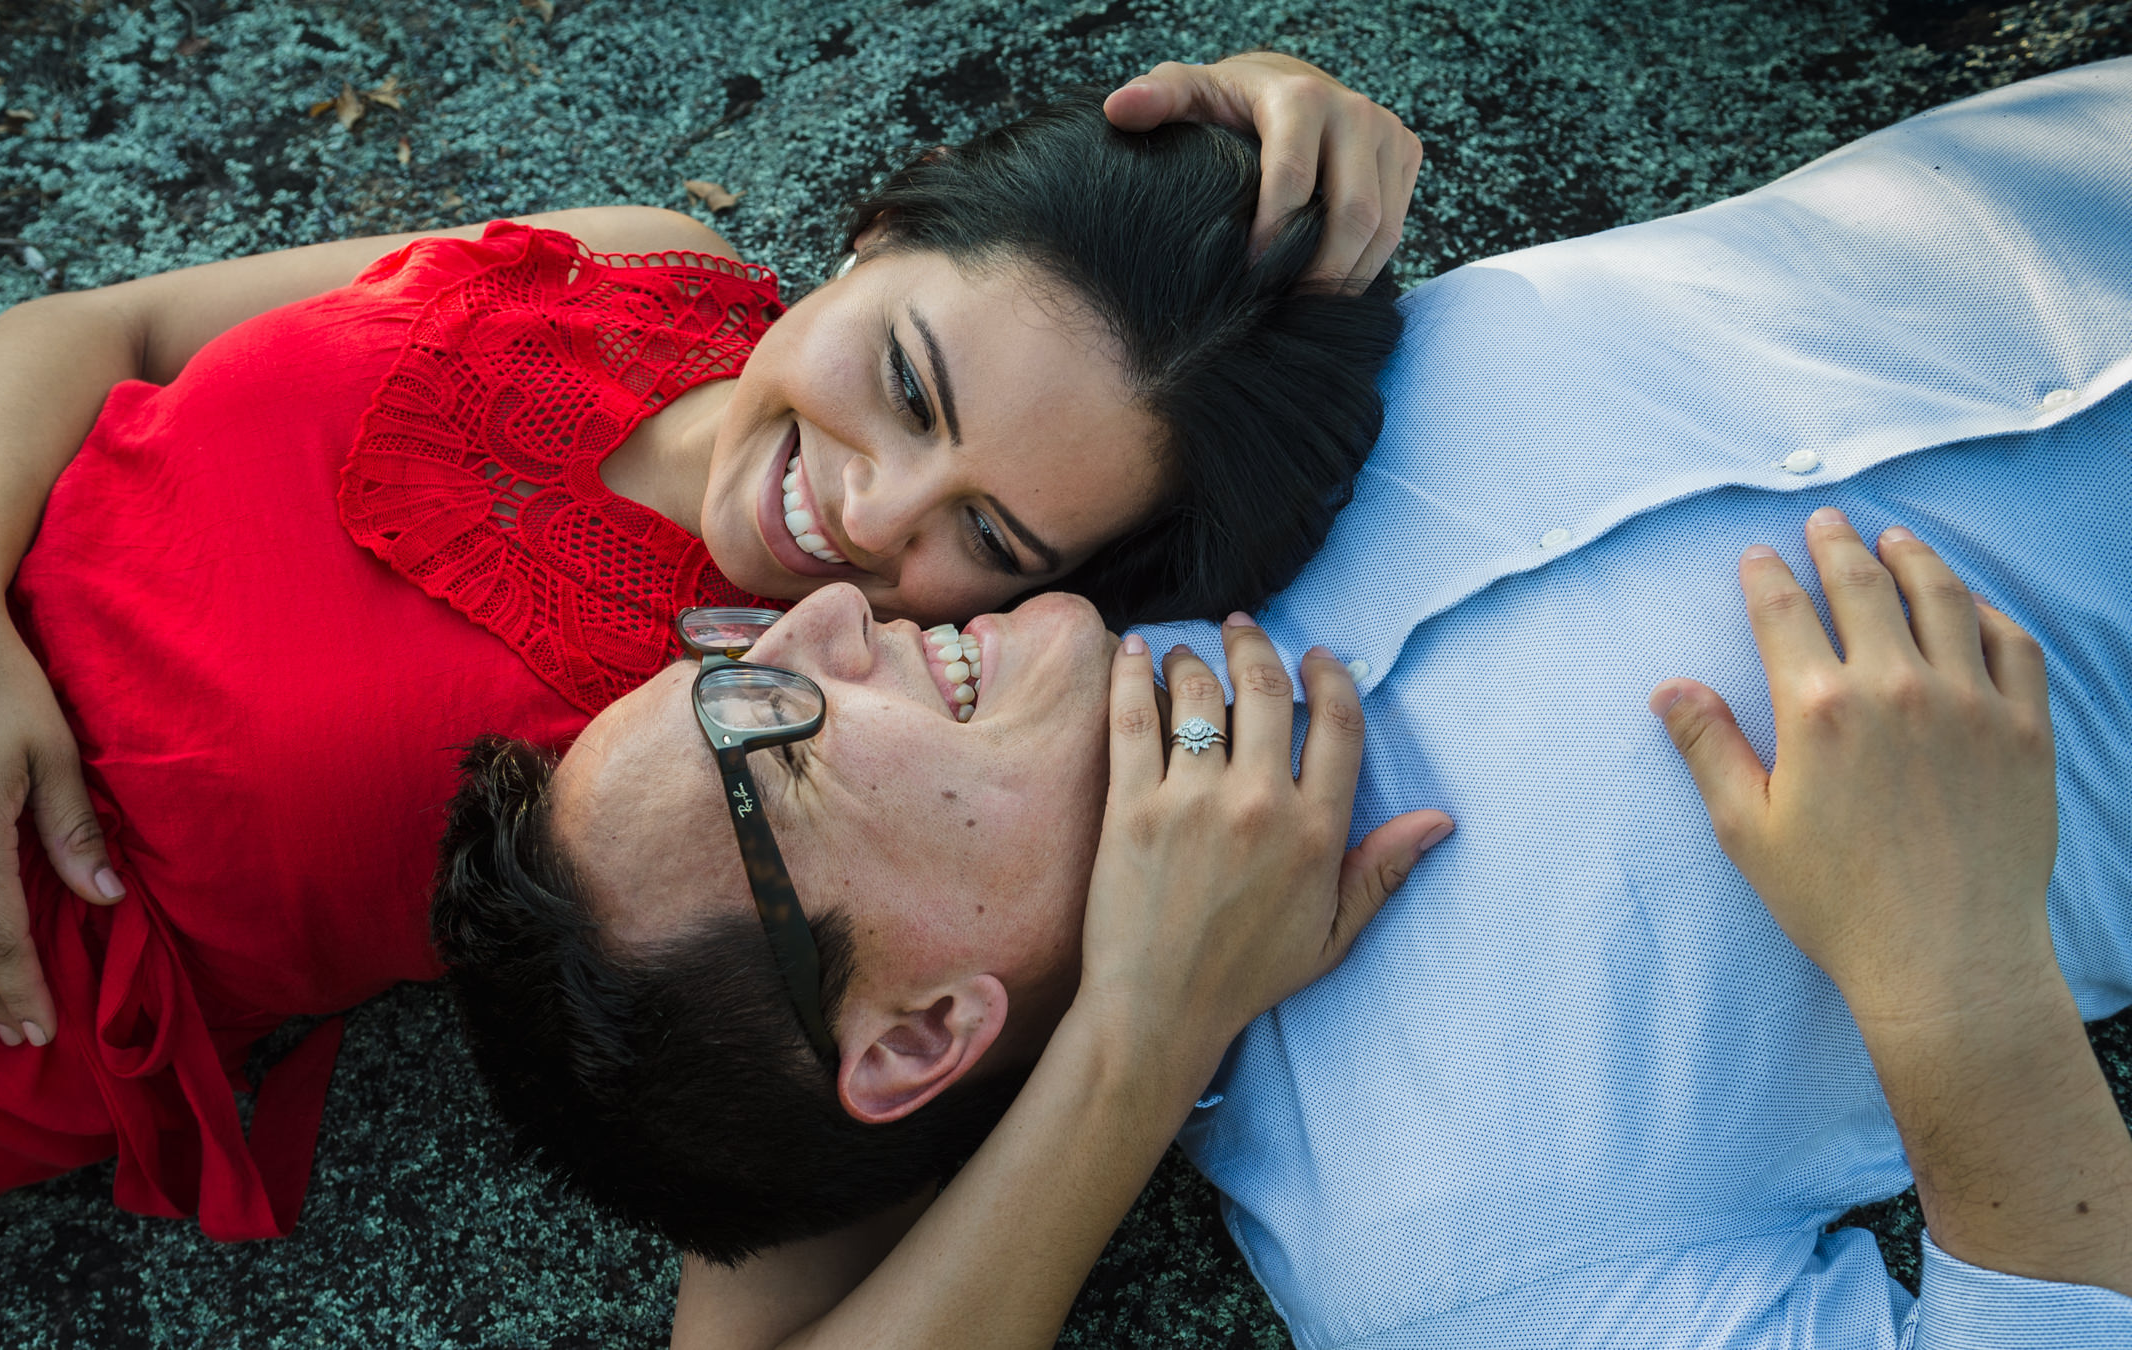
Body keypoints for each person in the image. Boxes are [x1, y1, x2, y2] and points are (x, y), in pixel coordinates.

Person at [430, 59, 2132, 1347]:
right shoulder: (1437, 1241)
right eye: (762, 735)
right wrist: (1960, 986)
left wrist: (1264, 139)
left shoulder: (1121, 514)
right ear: (920, 1033)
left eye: (721, 654)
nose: (818, 619)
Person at [0, 56, 1426, 1299]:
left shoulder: (762, 768)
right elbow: (103, 336)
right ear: (878, 230)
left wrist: (1141, 1035)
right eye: (909, 385)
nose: (866, 517)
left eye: (987, 527)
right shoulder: (644, 258)